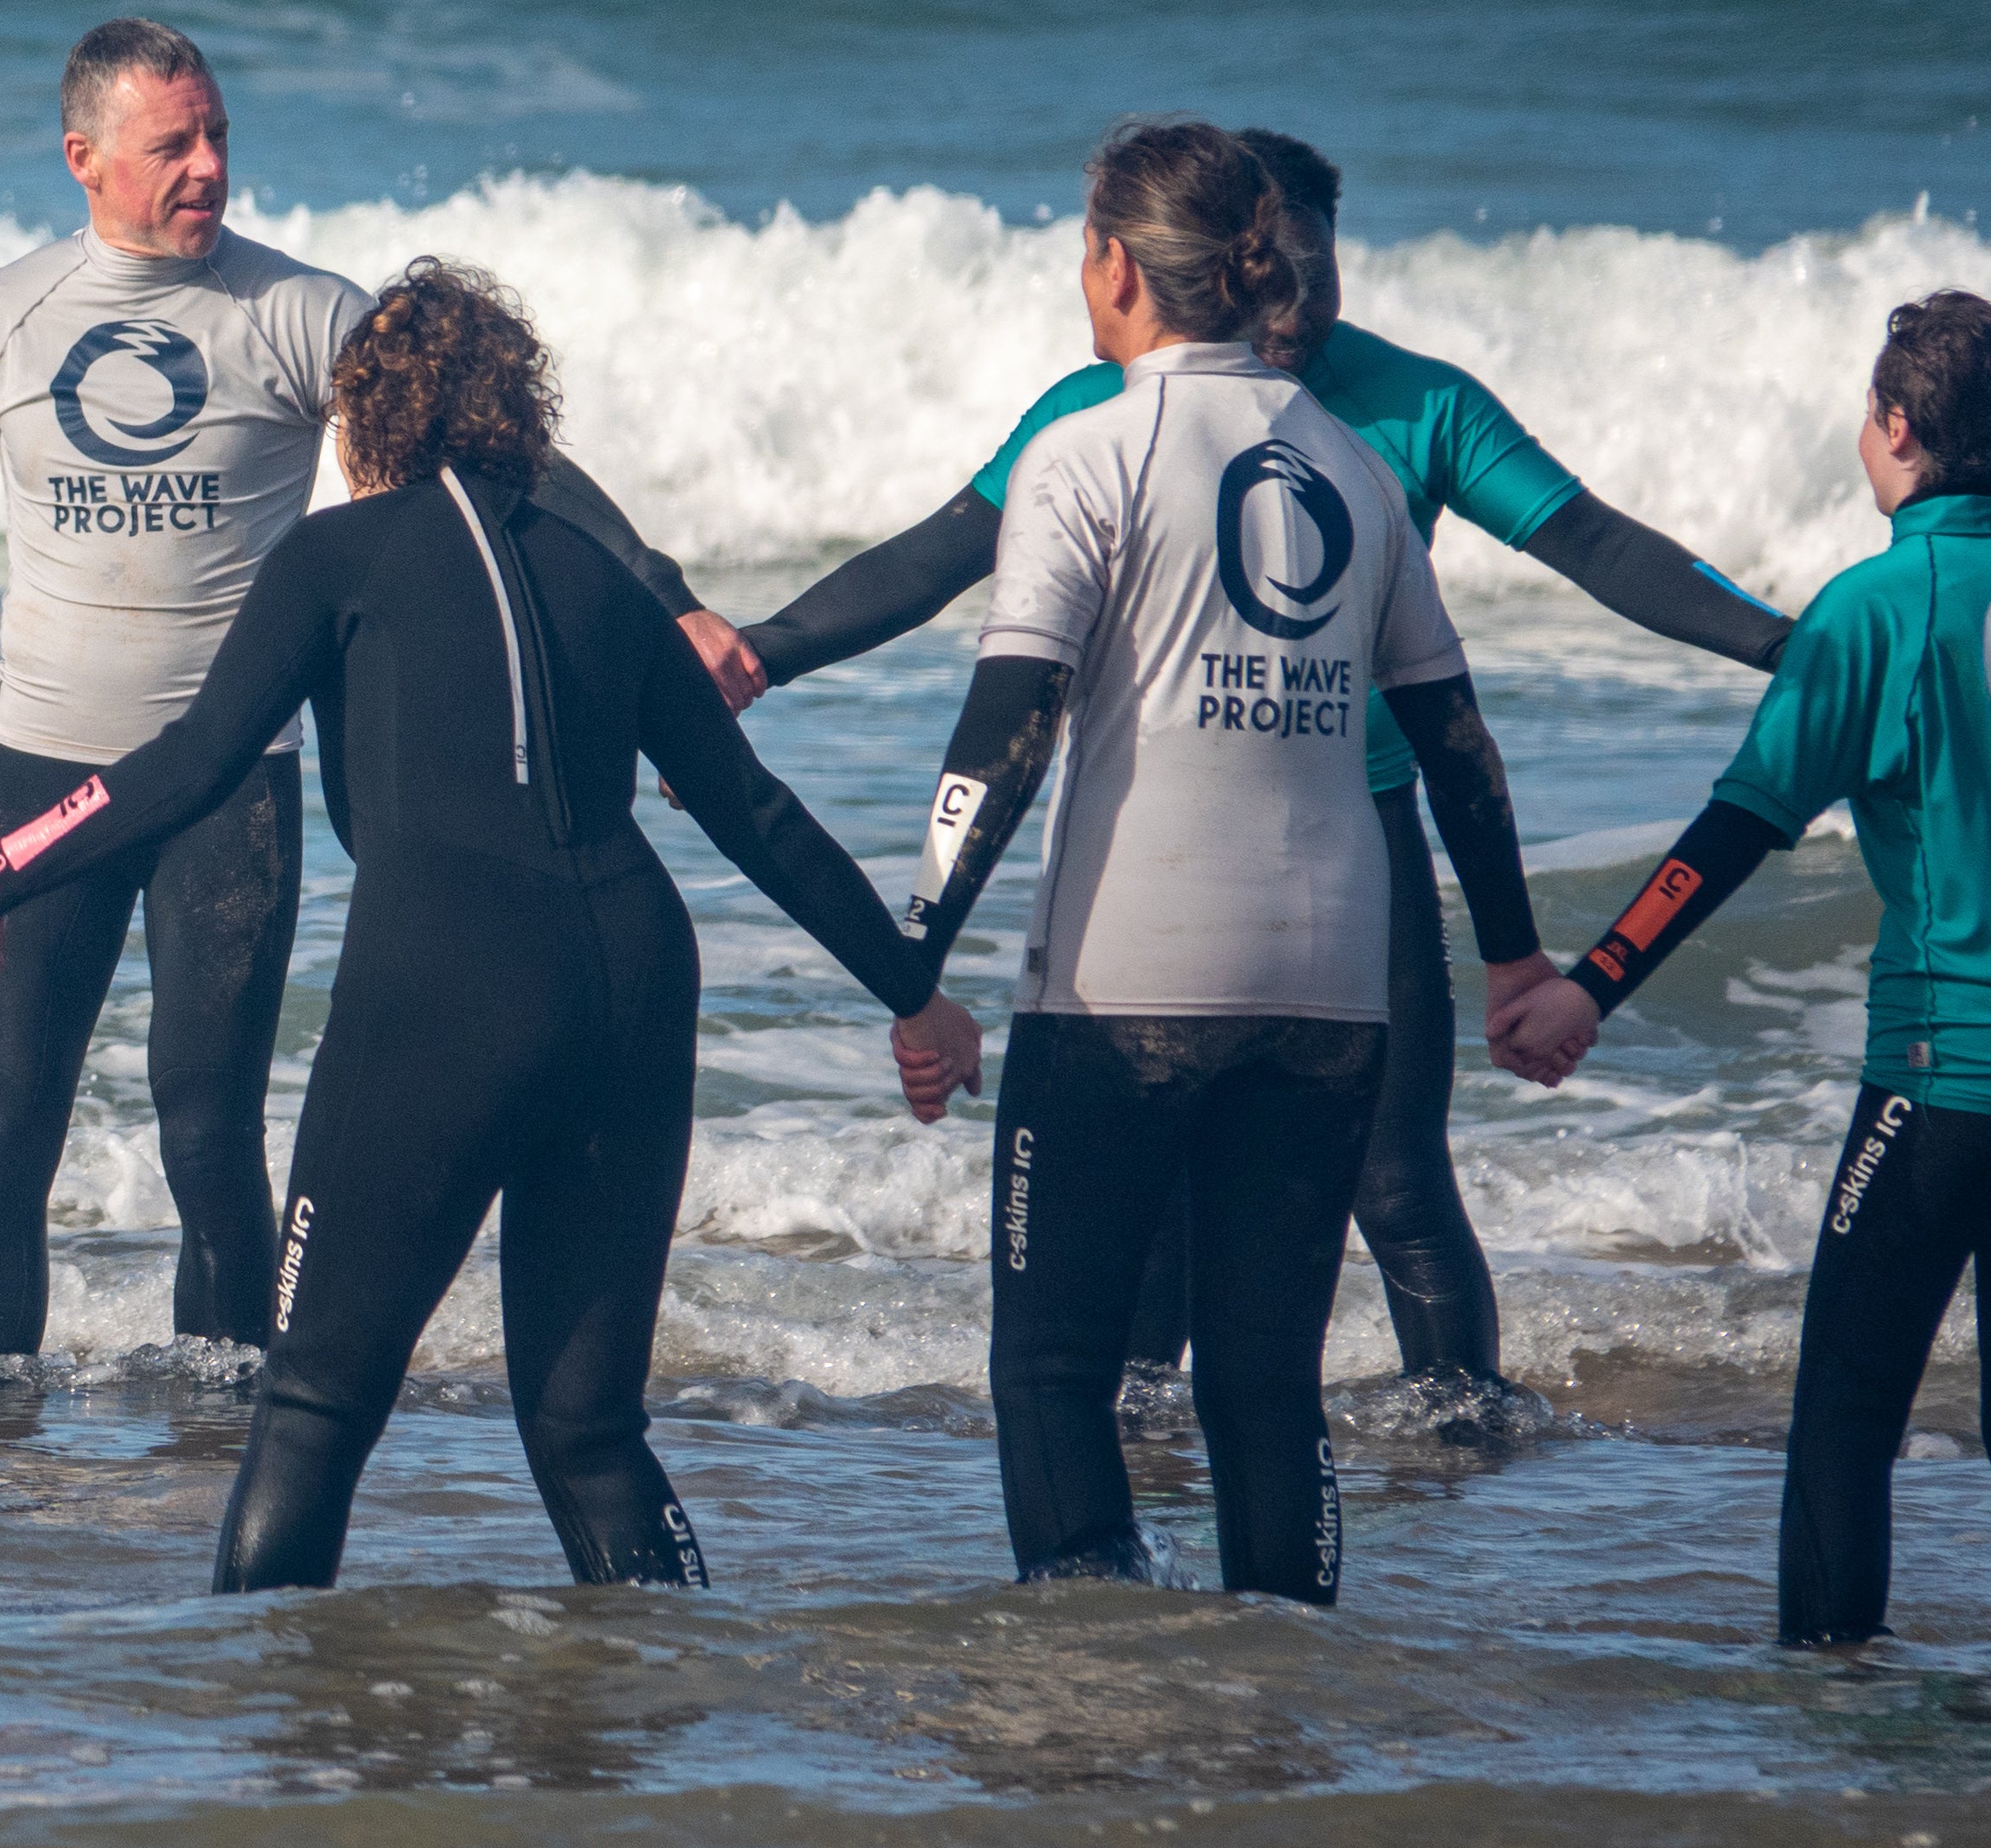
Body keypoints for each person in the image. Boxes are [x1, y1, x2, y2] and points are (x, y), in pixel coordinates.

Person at [0, 263, 970, 1590]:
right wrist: (913, 991)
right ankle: (672, 1725)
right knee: (588, 1430)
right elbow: (756, 812)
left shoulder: (332, 559)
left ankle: (261, 1753)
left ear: (360, 422)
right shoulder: (602, 577)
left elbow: (188, 762)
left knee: (314, 1407)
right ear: (519, 411)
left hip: (447, 984)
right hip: (637, 977)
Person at [0, 17, 748, 1361]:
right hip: (44, 769)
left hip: (226, 788)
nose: (208, 167)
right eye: (174, 145)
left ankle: (227, 1434)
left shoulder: (296, 312)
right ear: (84, 157)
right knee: (5, 1123)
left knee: (207, 1128)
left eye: (218, 137)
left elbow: (508, 474)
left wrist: (666, 594)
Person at [743, 130, 1782, 1410]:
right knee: (1165, 1205)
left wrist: (1783, 644)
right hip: (1156, 843)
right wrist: (758, 654)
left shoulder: (1415, 405)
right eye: (1268, 260)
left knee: (1397, 1184)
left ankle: (1458, 1471)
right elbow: (933, 560)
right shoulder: (1098, 414)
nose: (1291, 292)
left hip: (1359, 835)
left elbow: (1599, 547)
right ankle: (1149, 1461)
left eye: (1314, 266)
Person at [892, 119, 1549, 1602]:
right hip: (1328, 990)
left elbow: (999, 733)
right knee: (1266, 1383)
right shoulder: (1354, 467)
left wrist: (913, 963)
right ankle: (1280, 1683)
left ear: (1118, 268)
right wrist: (1513, 954)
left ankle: (1095, 1683)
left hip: (1124, 985)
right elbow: (1456, 743)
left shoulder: (1085, 453)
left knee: (1052, 1365)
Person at [1496, 293, 1991, 1652]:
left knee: (1844, 1420)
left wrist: (1590, 986)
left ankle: (1830, 1730)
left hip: (1945, 1074)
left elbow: (1736, 833)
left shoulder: (1875, 609)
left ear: (1894, 428)